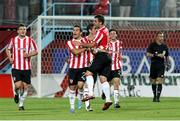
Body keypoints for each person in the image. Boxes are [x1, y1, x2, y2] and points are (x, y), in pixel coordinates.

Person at [75, 15, 112, 110]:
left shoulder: (100, 32)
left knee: (88, 73)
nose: (94, 23)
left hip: (101, 56)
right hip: (107, 56)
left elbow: (92, 44)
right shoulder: (106, 30)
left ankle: (90, 93)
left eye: (95, 21)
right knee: (103, 78)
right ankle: (108, 99)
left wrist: (80, 43)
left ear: (100, 22)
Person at [6, 24, 38, 110]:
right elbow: (8, 49)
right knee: (18, 85)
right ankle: (16, 94)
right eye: (21, 29)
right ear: (18, 31)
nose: (23, 31)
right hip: (16, 67)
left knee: (25, 87)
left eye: (24, 29)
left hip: (26, 68)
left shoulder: (30, 40)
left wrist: (28, 54)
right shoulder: (13, 40)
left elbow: (36, 51)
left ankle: (21, 105)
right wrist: (10, 58)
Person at [66, 25, 89, 113]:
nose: (74, 32)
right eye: (73, 30)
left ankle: (80, 98)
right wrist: (86, 47)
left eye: (76, 30)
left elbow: (92, 46)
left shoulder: (85, 41)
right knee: (72, 88)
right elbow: (75, 52)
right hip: (72, 68)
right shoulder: (70, 42)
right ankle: (72, 108)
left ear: (81, 32)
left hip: (83, 67)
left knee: (80, 85)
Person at [146, 32, 169, 102]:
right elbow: (148, 54)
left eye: (162, 36)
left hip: (161, 65)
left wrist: (167, 64)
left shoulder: (165, 46)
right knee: (153, 81)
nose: (161, 38)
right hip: (153, 64)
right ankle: (154, 96)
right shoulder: (152, 45)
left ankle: (158, 98)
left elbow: (167, 56)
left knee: (160, 80)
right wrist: (157, 55)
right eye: (160, 36)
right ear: (156, 37)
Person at [108, 29, 122, 108]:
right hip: (108, 67)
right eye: (111, 33)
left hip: (117, 66)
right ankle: (106, 95)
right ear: (109, 35)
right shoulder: (106, 43)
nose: (113, 35)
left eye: (114, 33)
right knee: (109, 84)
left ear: (116, 35)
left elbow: (119, 53)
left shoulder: (120, 43)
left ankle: (116, 102)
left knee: (116, 83)